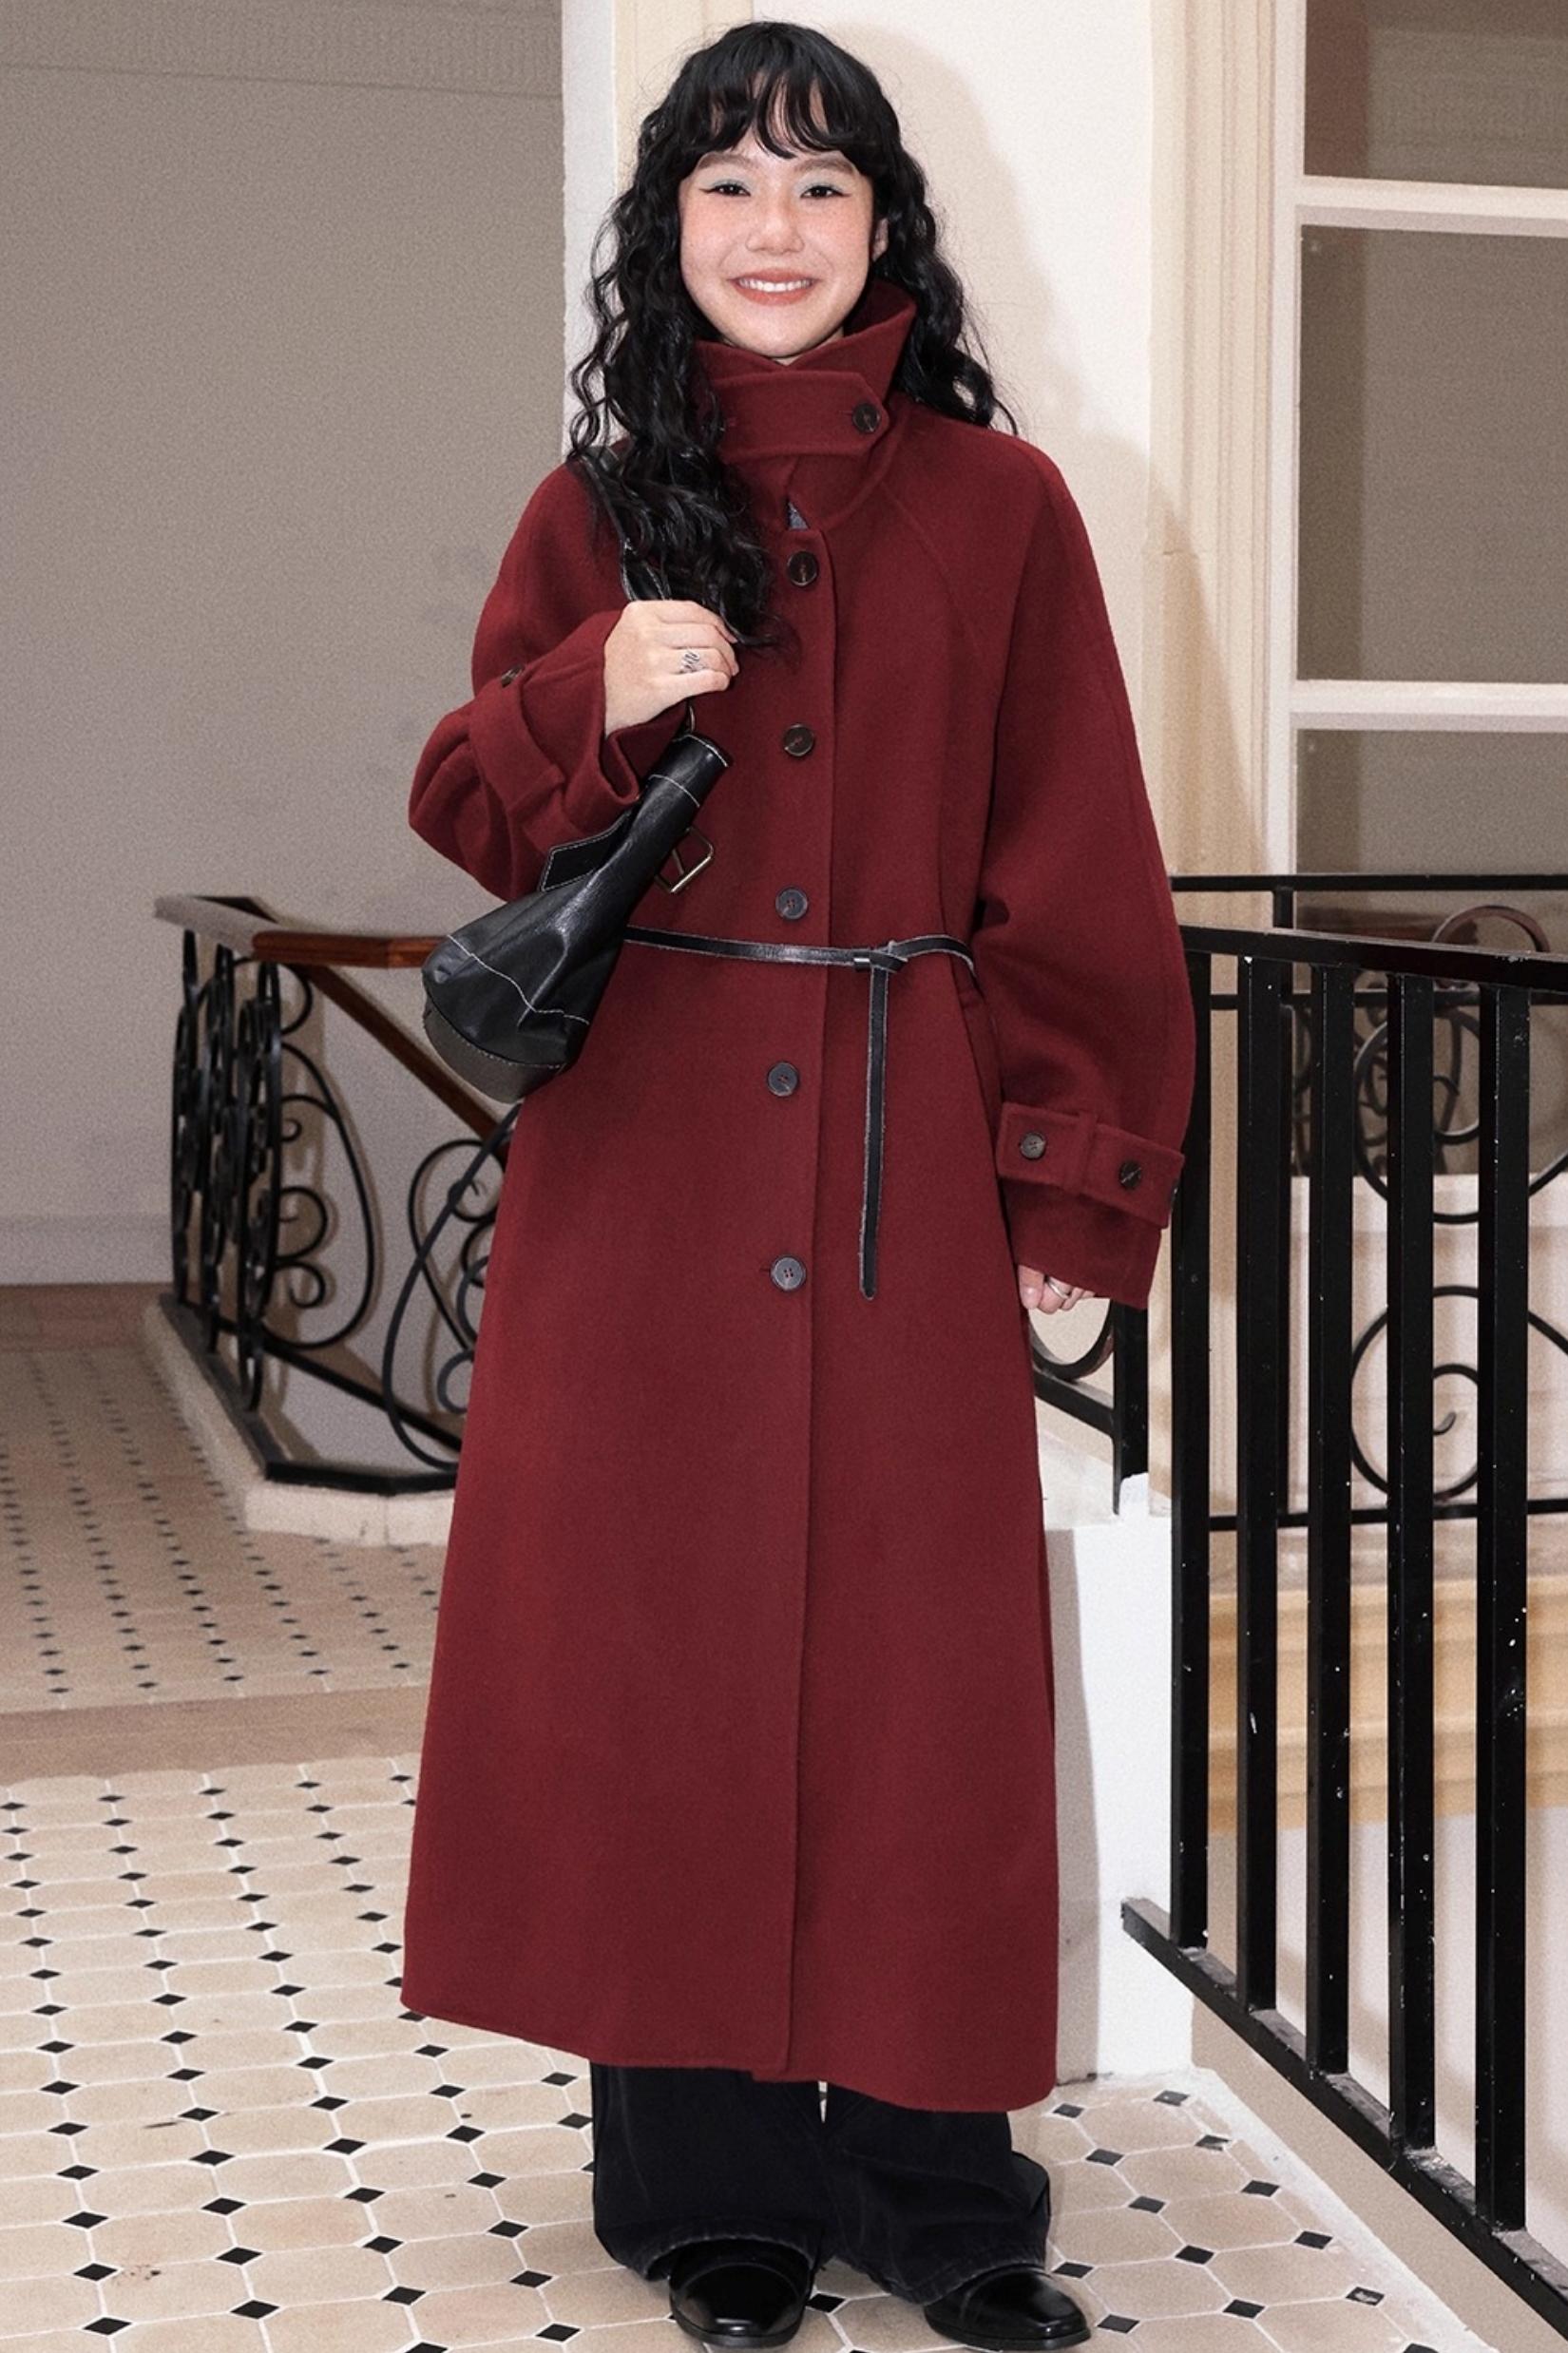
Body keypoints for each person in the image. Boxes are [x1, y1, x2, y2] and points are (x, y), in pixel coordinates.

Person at [399, 22, 1195, 2353]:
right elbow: (467, 807)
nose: (775, 227)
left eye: (820, 185)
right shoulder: (595, 503)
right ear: (667, 228)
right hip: (641, 1170)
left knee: (924, 1684)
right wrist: (592, 681)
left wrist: (1069, 1183)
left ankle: (944, 2182)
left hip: (898, 1162)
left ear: (883, 230)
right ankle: (709, 2190)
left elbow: (1082, 855)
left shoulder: (1003, 504)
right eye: (729, 184)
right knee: (658, 1665)